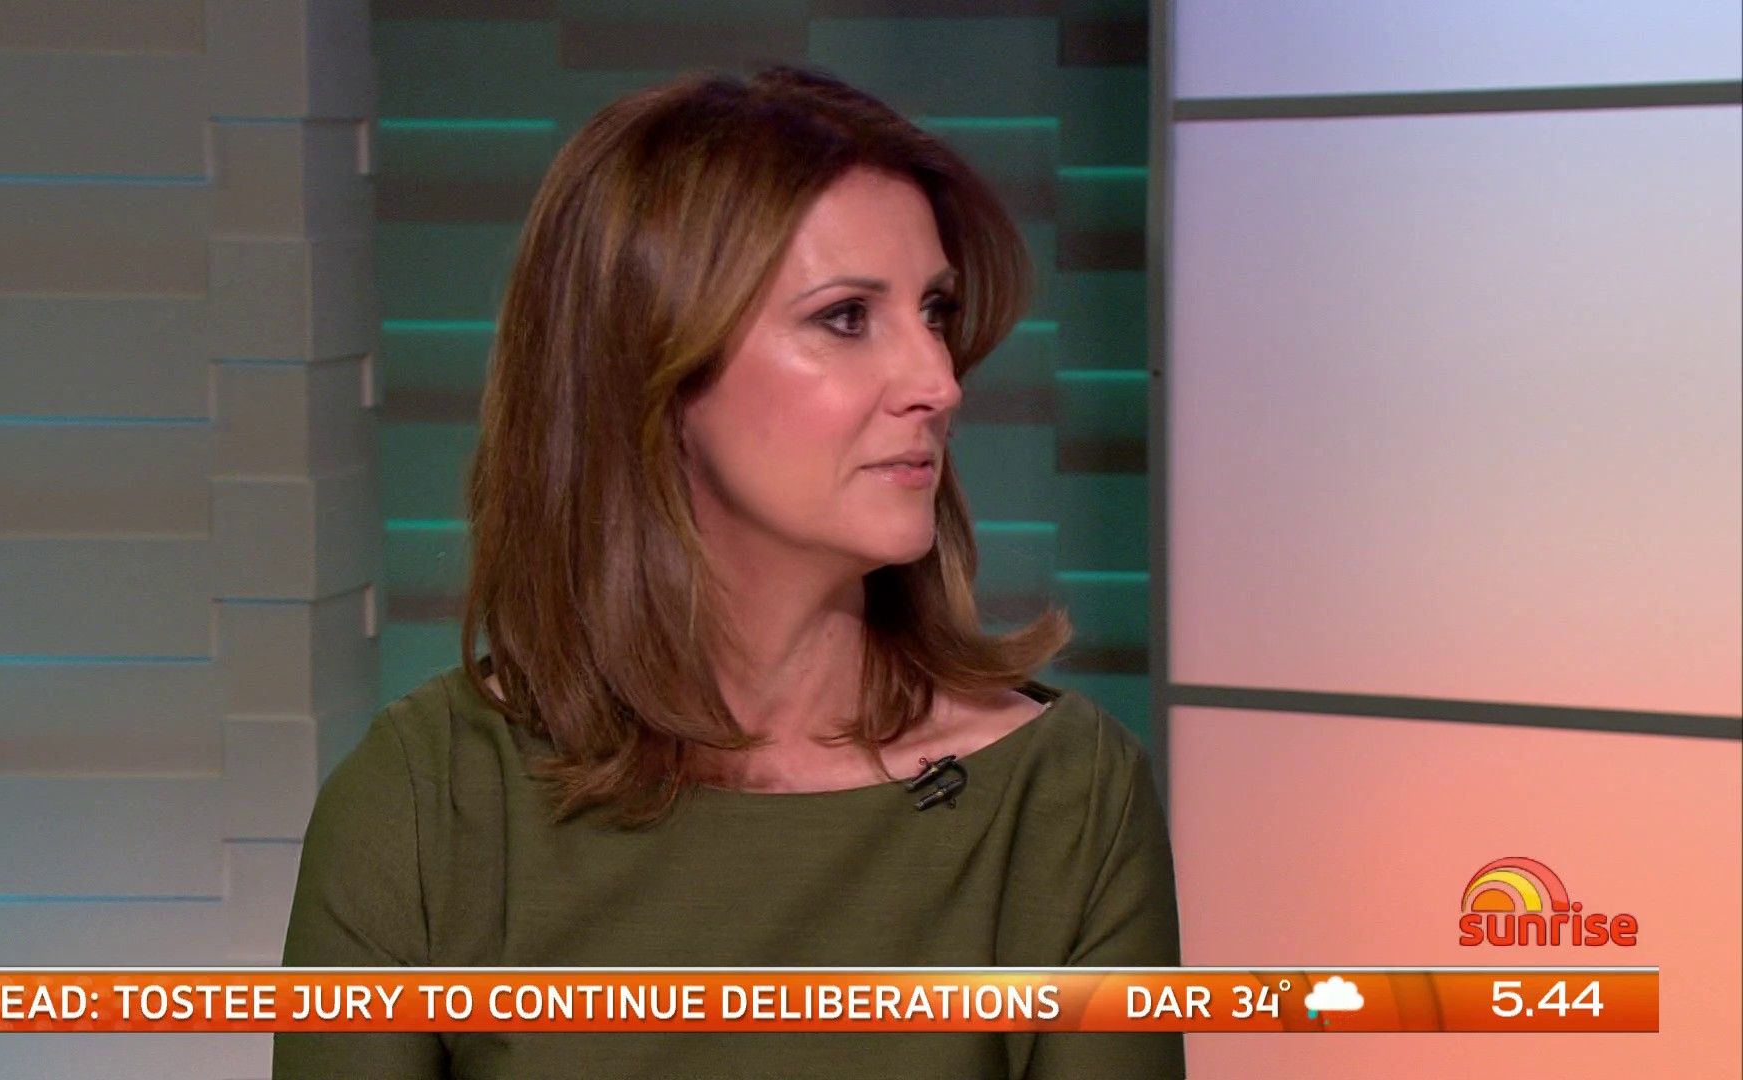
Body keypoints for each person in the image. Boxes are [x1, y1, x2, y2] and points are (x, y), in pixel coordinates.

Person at [275, 64, 1183, 1079]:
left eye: (934, 310)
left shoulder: (1067, 801)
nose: (938, 381)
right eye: (847, 317)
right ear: (652, 366)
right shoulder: (425, 806)